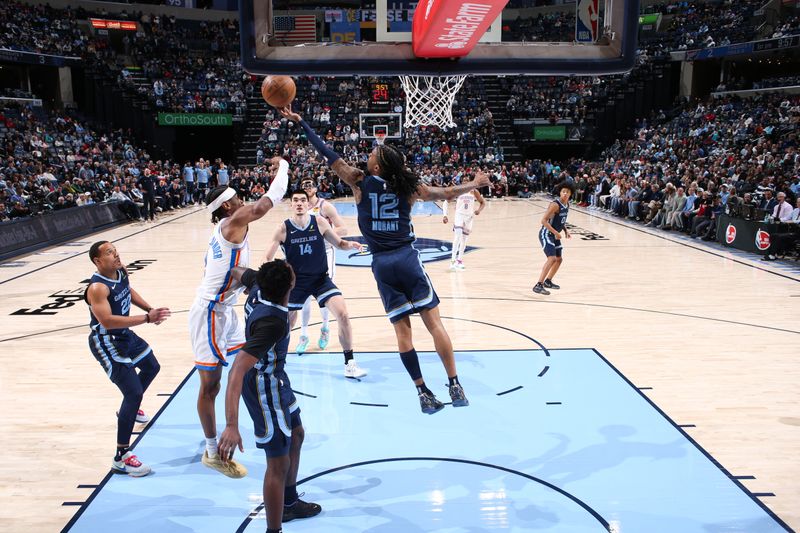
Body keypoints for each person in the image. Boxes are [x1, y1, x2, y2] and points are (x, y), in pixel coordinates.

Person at [280, 104, 491, 414]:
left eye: (374, 155)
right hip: (407, 258)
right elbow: (446, 194)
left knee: (403, 332)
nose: (369, 155)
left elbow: (327, 153)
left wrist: (303, 124)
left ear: (377, 168)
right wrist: (475, 183)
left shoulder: (358, 181)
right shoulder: (410, 188)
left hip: (382, 265)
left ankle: (422, 391)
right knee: (434, 324)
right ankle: (454, 382)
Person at [189, 156, 288, 478]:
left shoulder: (230, 227)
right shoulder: (233, 223)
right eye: (236, 199)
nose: (242, 202)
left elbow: (233, 269)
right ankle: (211, 450)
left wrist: (249, 280)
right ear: (227, 208)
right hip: (208, 313)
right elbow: (264, 206)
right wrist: (283, 168)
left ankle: (256, 421)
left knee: (249, 365)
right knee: (211, 386)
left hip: (225, 311)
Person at [218, 260, 321, 533]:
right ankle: (274, 529)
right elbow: (237, 371)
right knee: (277, 463)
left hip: (277, 377)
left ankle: (289, 503)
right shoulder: (273, 321)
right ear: (291, 283)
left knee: (297, 434)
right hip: (265, 386)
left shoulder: (258, 287)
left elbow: (236, 272)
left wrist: (233, 281)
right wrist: (231, 424)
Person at [84, 241, 171, 477]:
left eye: (115, 250)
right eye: (110, 253)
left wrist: (151, 309)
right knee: (133, 393)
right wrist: (146, 318)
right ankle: (121, 457)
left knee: (152, 366)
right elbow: (108, 321)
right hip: (107, 342)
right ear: (98, 261)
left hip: (124, 335)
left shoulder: (121, 271)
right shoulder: (97, 288)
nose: (116, 254)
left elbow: (128, 291)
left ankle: (129, 410)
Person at [265, 190, 367, 378]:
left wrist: (350, 244)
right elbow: (267, 258)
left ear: (308, 204)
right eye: (295, 200)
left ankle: (349, 363)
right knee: (285, 323)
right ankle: (276, 360)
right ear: (291, 204)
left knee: (343, 314)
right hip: (296, 282)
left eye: (303, 200)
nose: (299, 203)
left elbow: (339, 243)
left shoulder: (319, 222)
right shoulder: (283, 228)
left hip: (321, 279)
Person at [294, 177, 349, 354]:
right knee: (303, 297)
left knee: (323, 296)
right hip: (305, 253)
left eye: (310, 185)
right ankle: (303, 334)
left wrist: (324, 233)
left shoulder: (325, 206)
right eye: (304, 185)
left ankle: (325, 328)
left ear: (316, 188)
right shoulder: (300, 207)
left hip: (325, 252)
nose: (307, 188)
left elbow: (343, 229)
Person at [533, 181, 574, 295]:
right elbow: (543, 221)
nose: (565, 194)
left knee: (559, 259)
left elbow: (561, 220)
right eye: (563, 191)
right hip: (546, 233)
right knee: (552, 259)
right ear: (560, 192)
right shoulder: (555, 205)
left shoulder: (567, 204)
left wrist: (565, 231)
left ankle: (548, 281)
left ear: (570, 194)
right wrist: (556, 232)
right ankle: (538, 285)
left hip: (555, 234)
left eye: (567, 192)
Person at [442, 173, 486, 271]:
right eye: (464, 180)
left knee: (464, 240)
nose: (465, 181)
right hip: (459, 216)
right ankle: (452, 261)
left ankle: (459, 260)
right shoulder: (457, 190)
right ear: (462, 182)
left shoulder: (474, 191)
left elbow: (483, 203)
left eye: (467, 179)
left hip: (469, 217)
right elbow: (445, 202)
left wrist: (479, 210)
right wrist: (445, 215)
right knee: (457, 237)